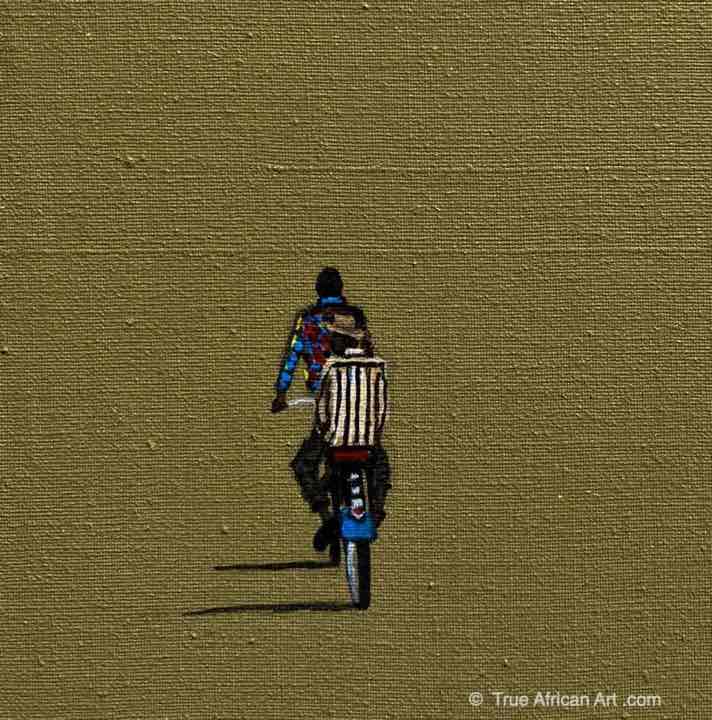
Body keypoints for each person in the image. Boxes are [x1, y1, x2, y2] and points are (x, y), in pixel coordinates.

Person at [310, 318, 391, 550]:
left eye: (333, 337)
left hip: (337, 443)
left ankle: (328, 517)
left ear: (342, 340)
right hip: (368, 443)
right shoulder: (378, 366)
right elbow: (383, 409)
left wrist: (325, 431)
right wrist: (374, 434)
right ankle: (377, 510)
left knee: (308, 468)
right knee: (381, 471)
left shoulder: (332, 366)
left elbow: (322, 408)